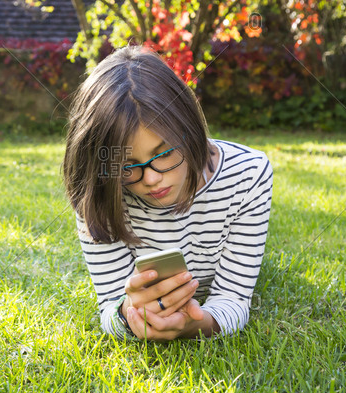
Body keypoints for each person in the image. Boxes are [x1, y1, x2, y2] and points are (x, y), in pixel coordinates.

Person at [61, 45, 273, 340]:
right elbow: (110, 307)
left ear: (189, 128)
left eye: (165, 154)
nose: (151, 179)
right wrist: (128, 317)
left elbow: (234, 298)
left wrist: (197, 325)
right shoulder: (99, 192)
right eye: (126, 166)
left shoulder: (249, 173)